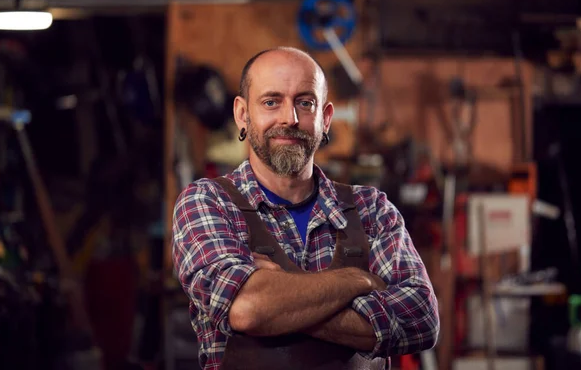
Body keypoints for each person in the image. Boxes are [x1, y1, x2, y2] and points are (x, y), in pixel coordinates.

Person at [172, 46, 439, 370]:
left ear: (326, 118)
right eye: (272, 102)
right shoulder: (208, 203)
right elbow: (248, 307)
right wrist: (358, 281)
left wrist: (279, 302)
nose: (290, 118)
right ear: (243, 114)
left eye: (305, 102)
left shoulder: (371, 209)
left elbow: (420, 318)